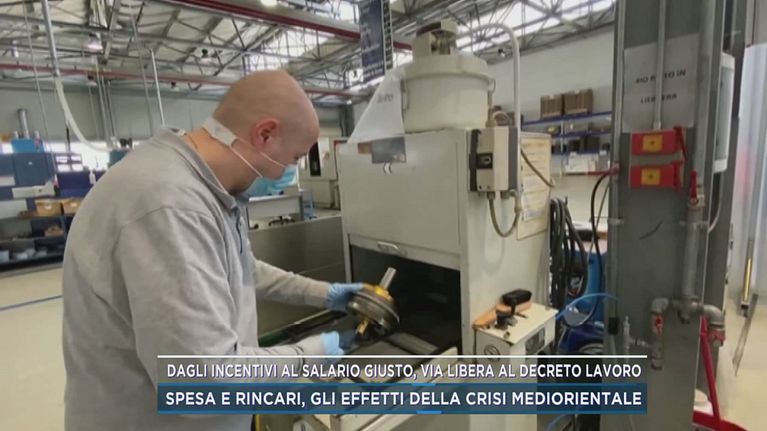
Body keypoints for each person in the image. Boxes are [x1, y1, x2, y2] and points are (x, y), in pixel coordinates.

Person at [62, 71, 363, 431]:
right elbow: (200, 382)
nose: (289, 172)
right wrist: (312, 353)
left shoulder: (206, 188)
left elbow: (242, 268)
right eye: (294, 158)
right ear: (265, 134)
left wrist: (324, 294)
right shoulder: (170, 205)